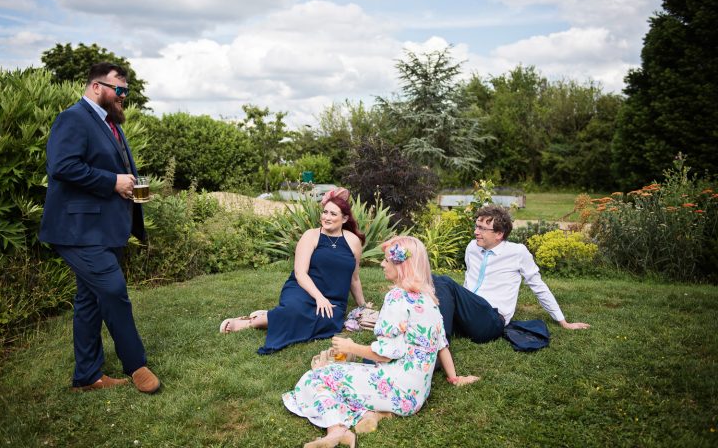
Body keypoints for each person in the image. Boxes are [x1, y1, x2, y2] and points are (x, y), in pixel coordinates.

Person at [283, 236, 479, 448]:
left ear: (402, 265)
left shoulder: (397, 297)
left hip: (394, 387)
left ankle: (336, 430)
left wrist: (351, 347)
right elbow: (442, 346)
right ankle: (372, 414)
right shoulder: (428, 298)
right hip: (415, 395)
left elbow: (386, 354)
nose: (382, 264)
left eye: (387, 260)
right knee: (339, 375)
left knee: (315, 378)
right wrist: (454, 378)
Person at [39, 62, 160, 393]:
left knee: (89, 301)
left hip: (104, 231)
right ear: (96, 87)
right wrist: (113, 182)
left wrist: (128, 188)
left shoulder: (111, 125)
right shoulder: (73, 119)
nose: (123, 97)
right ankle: (136, 364)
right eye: (118, 90)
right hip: (78, 231)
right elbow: (62, 167)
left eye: (126, 91)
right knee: (113, 290)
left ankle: (87, 376)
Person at [220, 188, 369, 355]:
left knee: (330, 323)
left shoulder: (353, 241)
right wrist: (319, 298)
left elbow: (354, 278)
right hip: (303, 289)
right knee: (296, 311)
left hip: (334, 297)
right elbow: (300, 273)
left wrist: (362, 307)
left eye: (333, 214)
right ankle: (252, 322)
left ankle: (274, 315)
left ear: (345, 218)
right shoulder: (311, 236)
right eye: (325, 212)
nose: (326, 217)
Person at [434, 204, 590, 345]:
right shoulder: (472, 248)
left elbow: (538, 286)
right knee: (433, 279)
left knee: (445, 282)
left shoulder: (517, 252)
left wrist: (563, 321)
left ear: (499, 234)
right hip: (467, 314)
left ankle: (440, 346)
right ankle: (430, 332)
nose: (476, 232)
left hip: (491, 320)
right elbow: (469, 279)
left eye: (482, 228)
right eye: (476, 226)